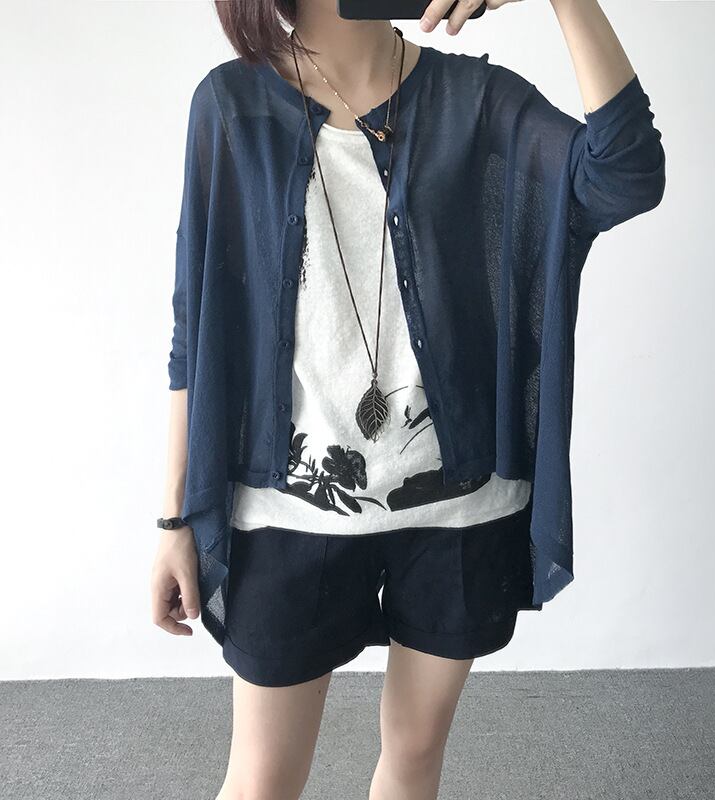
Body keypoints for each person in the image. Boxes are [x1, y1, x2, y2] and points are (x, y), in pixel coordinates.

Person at [150, 1, 666, 798]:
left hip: (455, 512)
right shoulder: (232, 105)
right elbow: (196, 326)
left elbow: (625, 173)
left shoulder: (476, 103)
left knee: (416, 754)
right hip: (289, 516)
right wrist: (174, 520)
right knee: (261, 781)